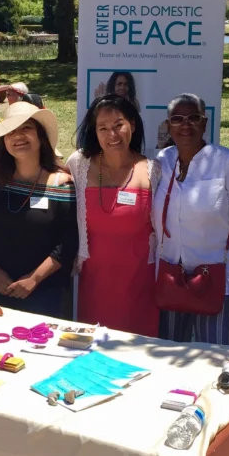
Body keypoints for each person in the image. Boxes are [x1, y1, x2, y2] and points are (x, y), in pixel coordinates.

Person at [154, 93, 229, 345]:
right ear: (168, 125)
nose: (185, 125)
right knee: (170, 353)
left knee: (213, 357)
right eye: (177, 119)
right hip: (172, 275)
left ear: (205, 123)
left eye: (193, 118)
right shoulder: (163, 161)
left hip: (217, 279)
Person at [0, 101, 77, 317]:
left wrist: (33, 279)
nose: (18, 136)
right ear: (4, 141)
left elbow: (69, 242)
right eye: (11, 132)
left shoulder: (62, 185)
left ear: (40, 137)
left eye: (26, 128)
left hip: (45, 291)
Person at [66, 95, 161, 337]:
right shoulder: (79, 164)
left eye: (119, 125)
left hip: (140, 281)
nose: (112, 134)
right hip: (93, 279)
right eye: (103, 128)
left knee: (138, 349)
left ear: (133, 125)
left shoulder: (154, 170)